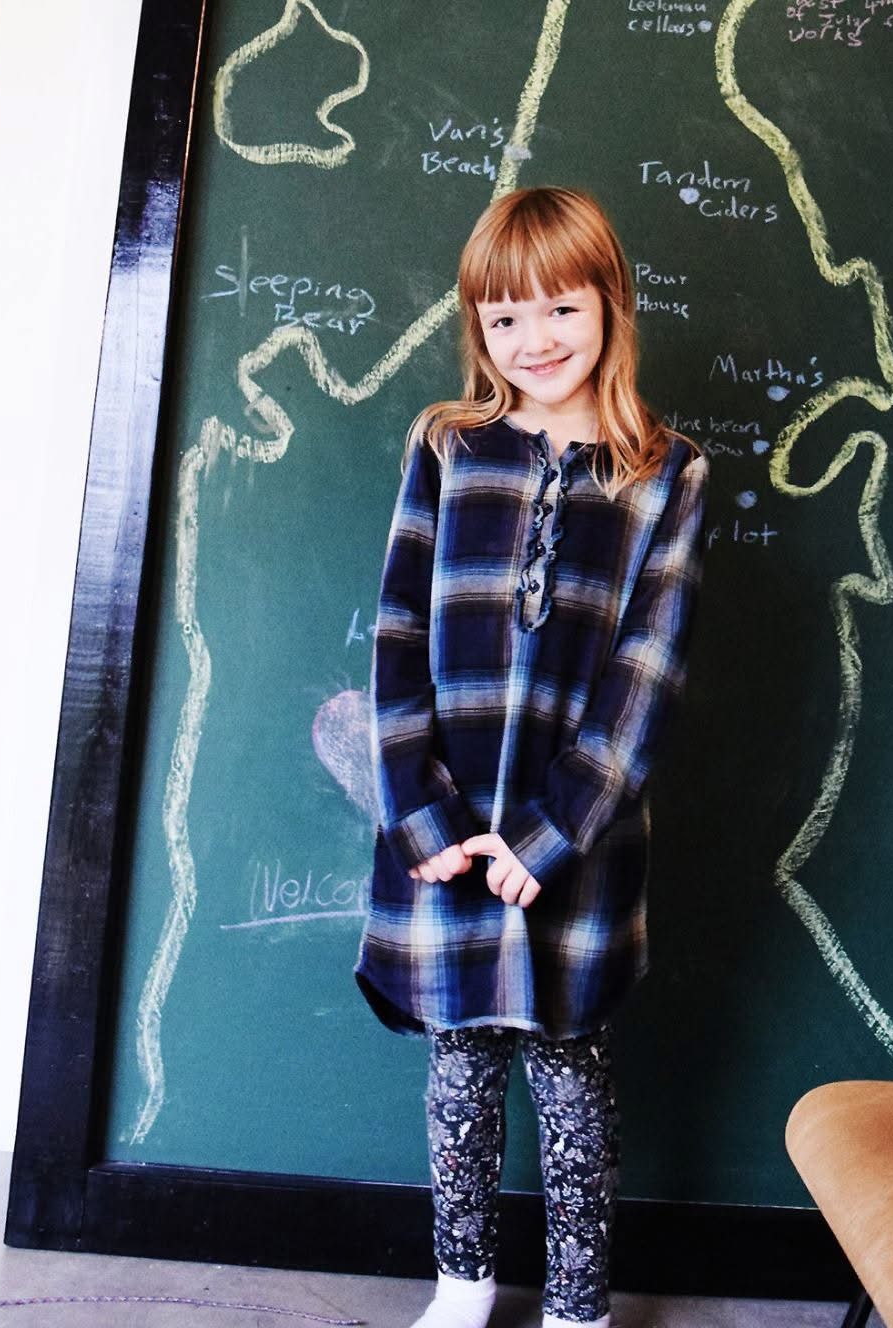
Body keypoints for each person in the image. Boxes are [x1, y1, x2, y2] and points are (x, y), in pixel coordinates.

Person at [354, 186, 708, 1328]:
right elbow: (396, 632)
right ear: (477, 328)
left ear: (610, 303)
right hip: (451, 835)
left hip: (578, 839)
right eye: (504, 319)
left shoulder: (665, 471)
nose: (535, 339)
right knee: (457, 1062)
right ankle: (461, 1285)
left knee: (572, 1076)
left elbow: (646, 674)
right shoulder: (448, 447)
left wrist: (552, 833)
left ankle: (575, 1306)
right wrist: (422, 818)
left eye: (561, 306)